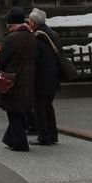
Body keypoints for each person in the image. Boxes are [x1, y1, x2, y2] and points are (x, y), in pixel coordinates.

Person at [0, 7, 38, 152]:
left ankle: (20, 143)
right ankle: (11, 139)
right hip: (29, 80)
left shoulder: (11, 38)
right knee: (19, 111)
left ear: (11, 23)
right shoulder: (32, 36)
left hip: (13, 81)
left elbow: (1, 61)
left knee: (13, 112)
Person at [29, 8, 61, 145]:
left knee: (39, 108)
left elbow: (34, 60)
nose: (28, 22)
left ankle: (43, 136)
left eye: (30, 20)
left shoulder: (38, 37)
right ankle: (53, 134)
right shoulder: (52, 34)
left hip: (41, 79)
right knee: (48, 106)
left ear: (34, 22)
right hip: (53, 77)